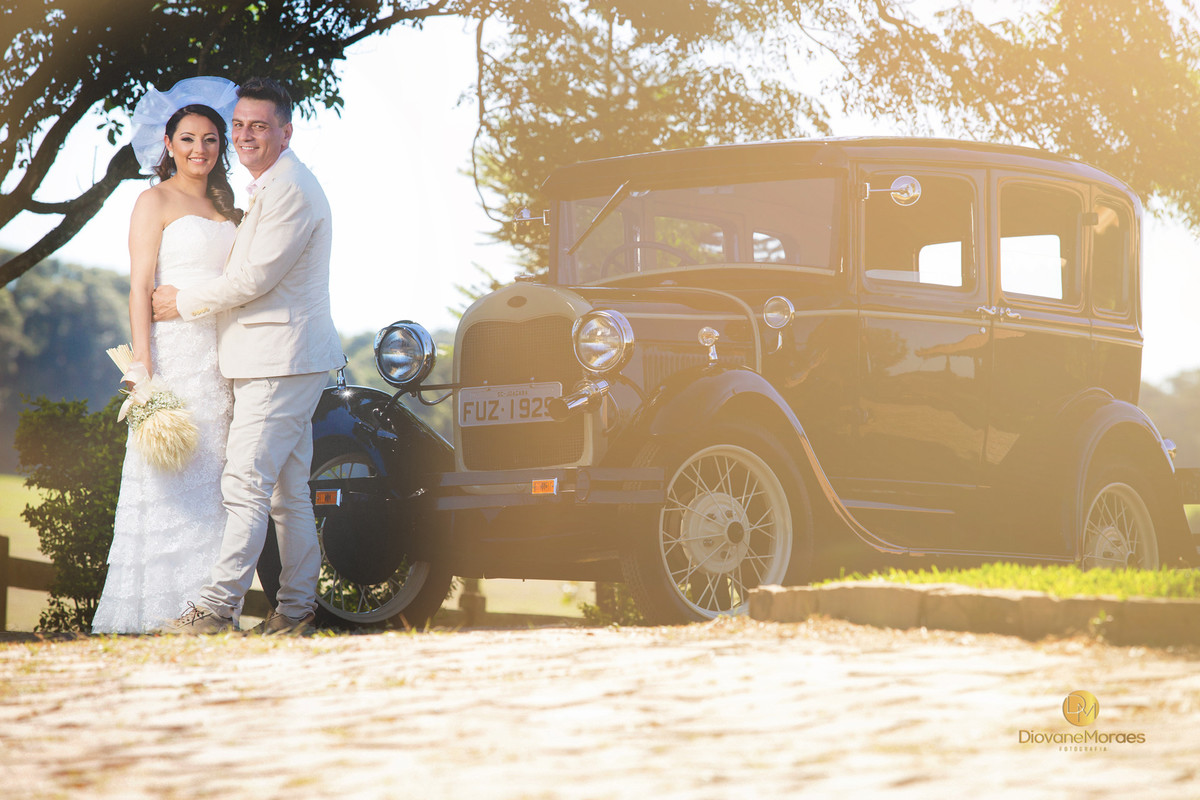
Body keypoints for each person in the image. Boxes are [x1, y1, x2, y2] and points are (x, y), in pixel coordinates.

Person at [152, 77, 345, 636]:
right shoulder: (273, 183)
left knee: (245, 482)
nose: (243, 136)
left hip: (278, 359)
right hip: (279, 355)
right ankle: (295, 610)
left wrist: (182, 302)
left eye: (258, 126)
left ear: (285, 131)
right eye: (237, 125)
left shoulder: (290, 190)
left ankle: (216, 609)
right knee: (287, 494)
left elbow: (253, 279)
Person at [92, 77, 242, 634]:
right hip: (174, 355)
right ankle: (152, 608)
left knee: (218, 479)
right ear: (169, 144)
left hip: (223, 356)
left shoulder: (231, 208)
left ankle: (208, 610)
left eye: (209, 139)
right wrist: (142, 369)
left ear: (220, 145)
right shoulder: (152, 200)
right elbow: (139, 288)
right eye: (188, 139)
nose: (199, 149)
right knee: (169, 472)